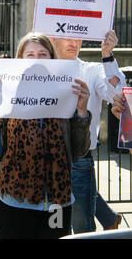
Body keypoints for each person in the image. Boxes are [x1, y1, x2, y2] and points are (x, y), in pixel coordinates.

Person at [0, 32, 92, 239]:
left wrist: (81, 112)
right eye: (30, 54)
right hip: (14, 200)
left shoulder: (66, 93)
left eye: (43, 54)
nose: (36, 59)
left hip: (57, 202)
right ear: (20, 60)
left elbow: (80, 151)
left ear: (52, 59)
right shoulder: (7, 94)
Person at [50, 31, 126, 233]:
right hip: (45, 162)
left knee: (83, 227)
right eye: (68, 36)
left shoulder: (92, 70)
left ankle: (109, 219)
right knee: (54, 226)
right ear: (52, 39)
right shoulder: (40, 71)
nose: (74, 42)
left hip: (79, 161)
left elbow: (118, 95)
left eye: (78, 36)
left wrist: (108, 56)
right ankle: (110, 218)